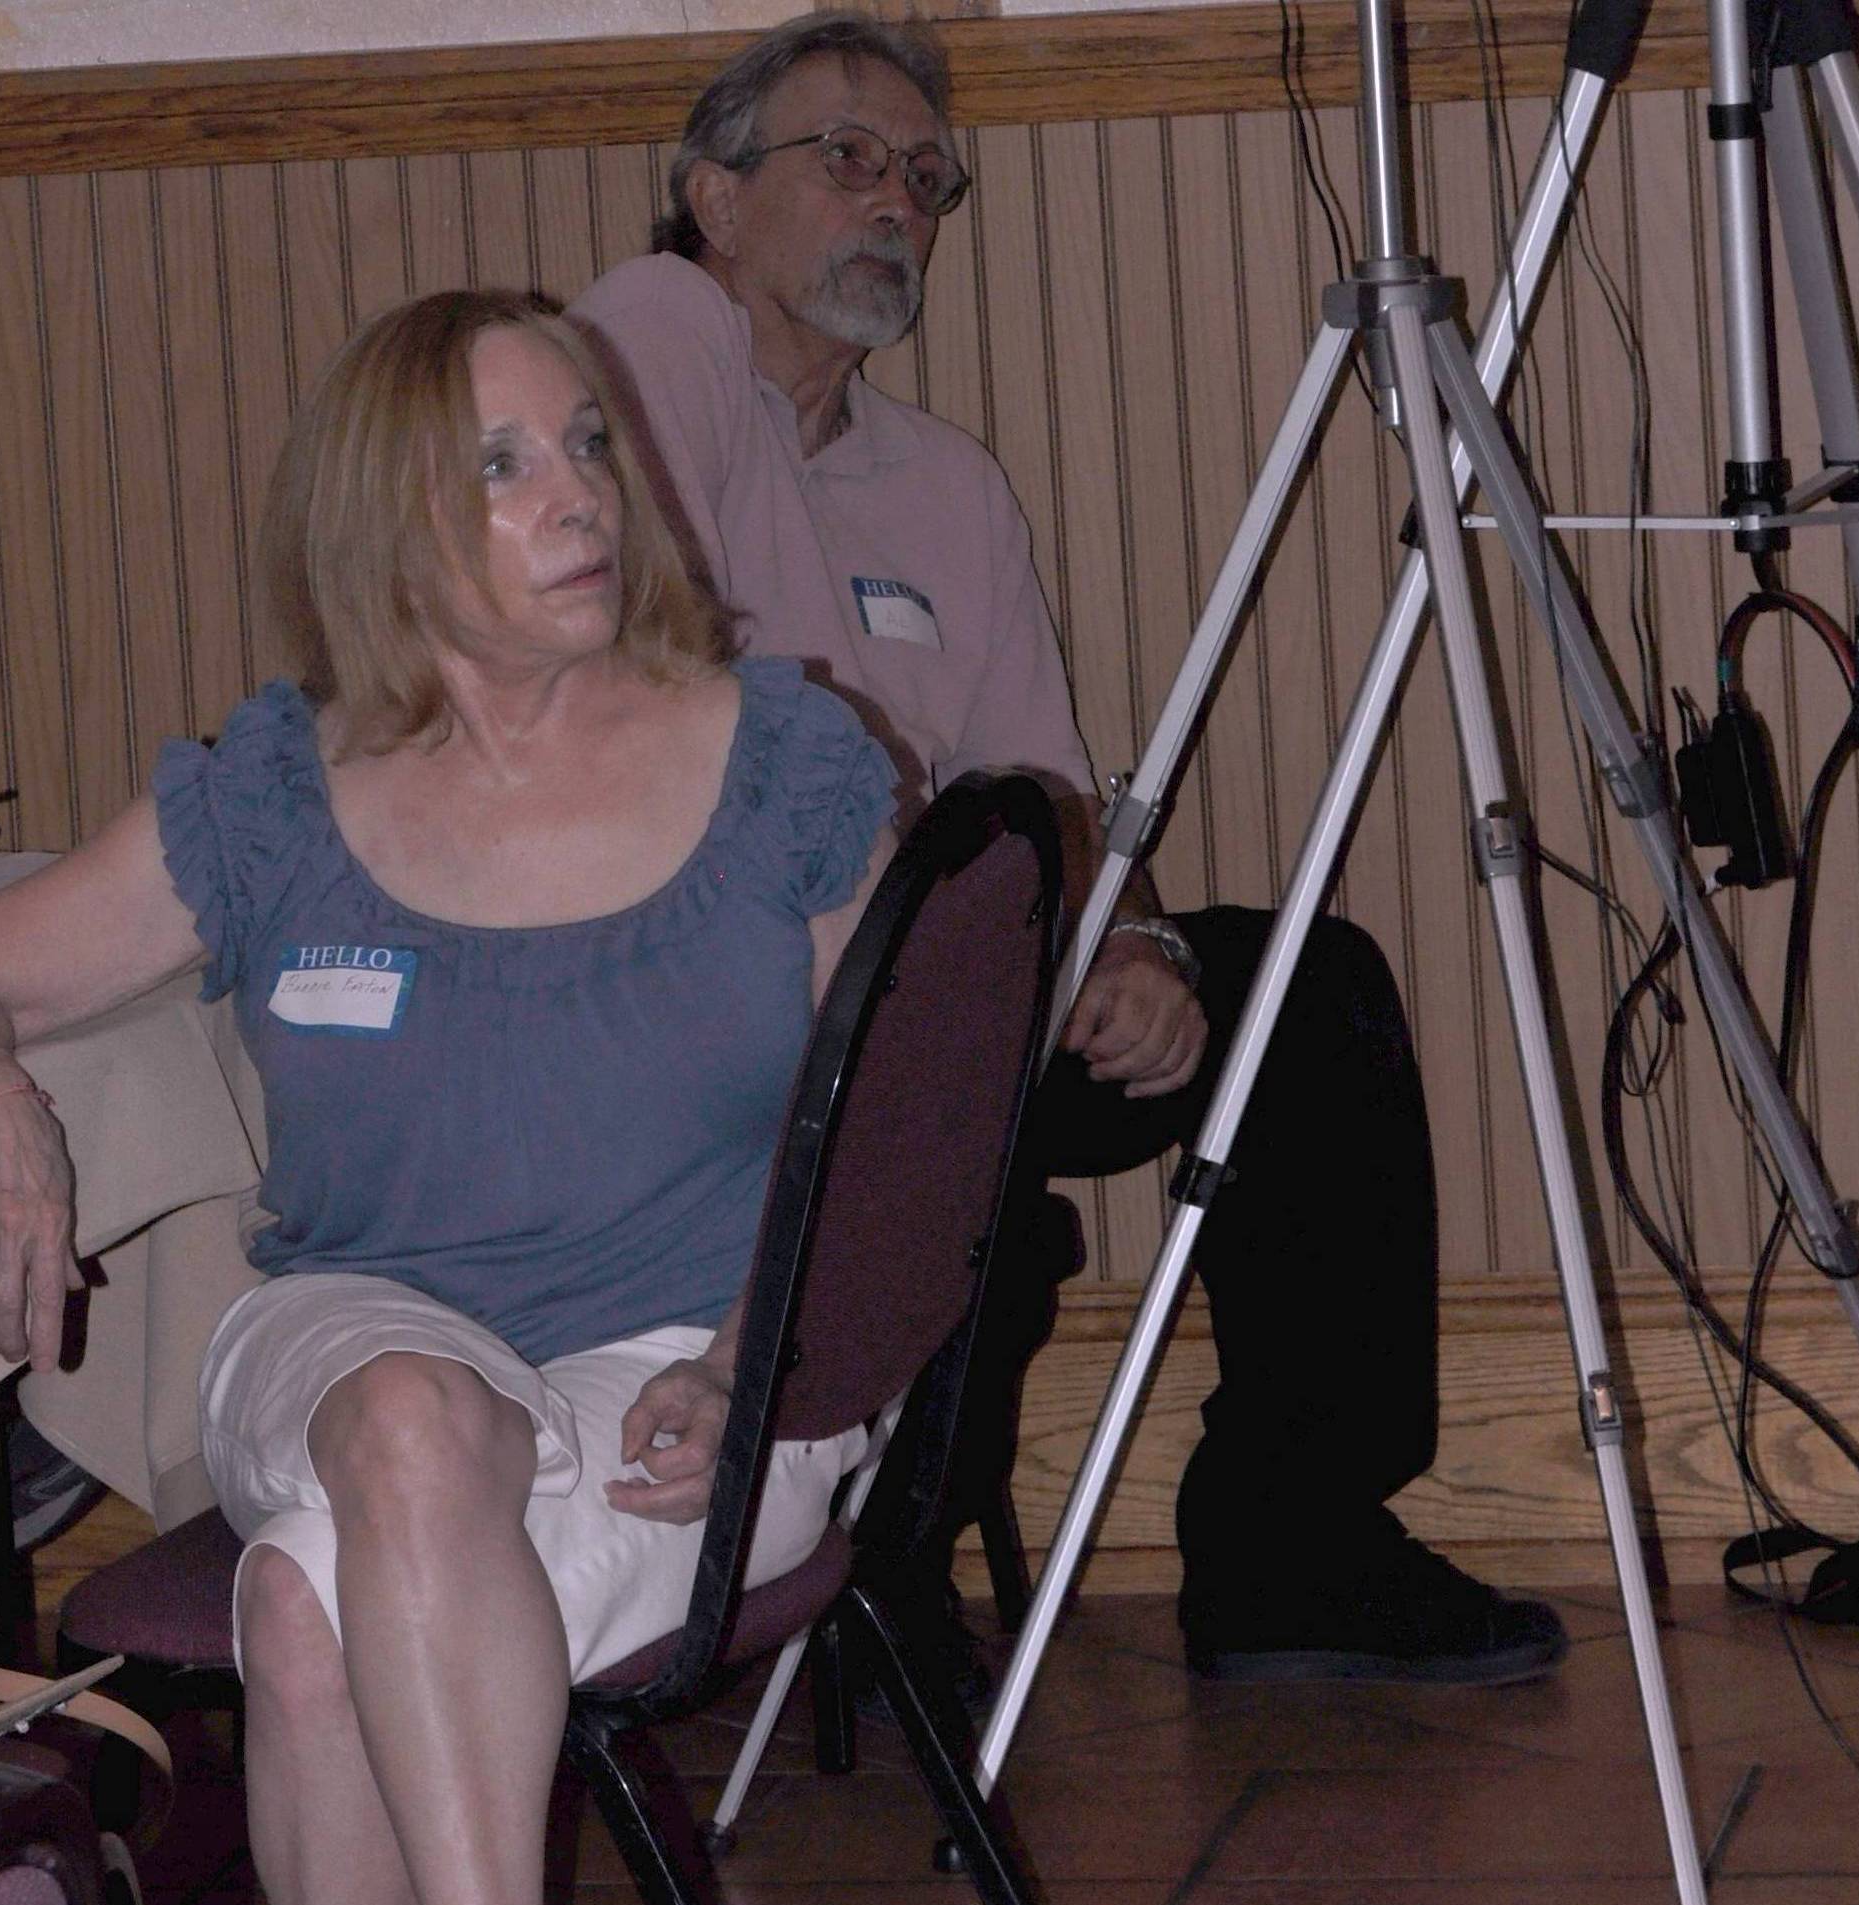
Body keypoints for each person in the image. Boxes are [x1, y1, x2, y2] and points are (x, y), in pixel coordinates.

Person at [0, 290, 898, 1905]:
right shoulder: (278, 799)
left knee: (311, 1604)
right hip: (352, 1333)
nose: (574, 498)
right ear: (382, 520)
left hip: (694, 1372)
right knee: (407, 1425)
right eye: (501, 466)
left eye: (586, 443)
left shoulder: (783, 762)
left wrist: (755, 1352)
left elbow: (896, 1133)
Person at [571, 10, 1568, 1688]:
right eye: (849, 159)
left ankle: (1290, 1546)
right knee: (963, 1181)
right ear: (714, 200)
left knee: (1305, 993)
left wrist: (1139, 943)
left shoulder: (948, 487)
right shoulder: (640, 376)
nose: (898, 202)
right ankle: (851, 1580)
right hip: (726, 1028)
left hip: (955, 1010)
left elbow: (1043, 790)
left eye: (928, 179)